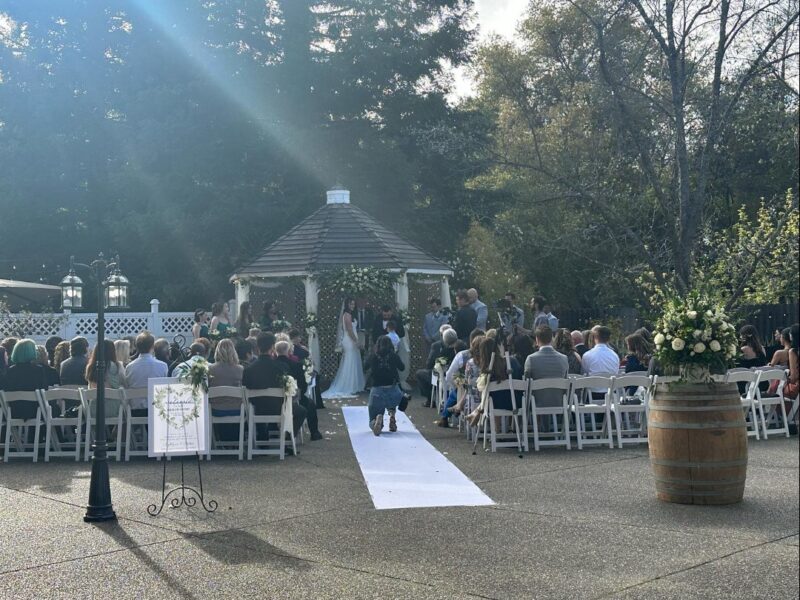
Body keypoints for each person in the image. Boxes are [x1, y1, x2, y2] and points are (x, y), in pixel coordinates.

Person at [243, 332, 307, 441]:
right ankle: (287, 439)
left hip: (257, 408)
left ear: (258, 347)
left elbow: (246, 387)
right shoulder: (281, 367)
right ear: (273, 347)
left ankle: (262, 438)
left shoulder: (249, 369)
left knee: (258, 402)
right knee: (302, 411)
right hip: (278, 408)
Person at [275, 340, 322, 440]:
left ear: (275, 351)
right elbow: (302, 387)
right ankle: (314, 433)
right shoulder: (296, 365)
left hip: (272, 403)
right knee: (310, 404)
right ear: (288, 351)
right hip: (292, 401)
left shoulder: (272, 365)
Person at [323, 298, 366, 399]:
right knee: (350, 361)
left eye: (353, 304)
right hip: (350, 340)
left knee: (354, 361)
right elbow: (349, 330)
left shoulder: (350, 315)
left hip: (352, 339)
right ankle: (348, 385)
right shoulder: (347, 315)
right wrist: (356, 341)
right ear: (347, 305)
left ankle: (353, 385)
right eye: (351, 304)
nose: (352, 306)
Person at [0, 339, 49, 419]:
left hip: (13, 412)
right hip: (35, 412)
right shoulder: (38, 370)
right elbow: (44, 390)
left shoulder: (9, 371)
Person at [366, 335, 405, 436]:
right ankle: (392, 416)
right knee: (392, 401)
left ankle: (377, 420)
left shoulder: (373, 356)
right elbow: (402, 368)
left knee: (372, 419)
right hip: (393, 390)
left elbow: (364, 367)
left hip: (377, 391)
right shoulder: (393, 355)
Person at [524, 326, 569, 408]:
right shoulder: (564, 358)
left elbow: (526, 384)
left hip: (537, 404)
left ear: (537, 339)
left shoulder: (531, 359)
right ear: (552, 338)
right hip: (559, 402)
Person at [125, 332, 168, 415]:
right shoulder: (162, 366)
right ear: (152, 347)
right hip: (157, 411)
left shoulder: (129, 367)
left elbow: (127, 386)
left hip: (135, 411)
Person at [417, 327, 459, 406]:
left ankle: (429, 399)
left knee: (420, 374)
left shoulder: (440, 349)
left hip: (441, 377)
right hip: (458, 377)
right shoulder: (461, 346)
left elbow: (429, 364)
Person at [581, 325, 620, 401]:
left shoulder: (587, 355)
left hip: (592, 393)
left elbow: (584, 374)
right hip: (610, 393)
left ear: (595, 338)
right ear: (608, 339)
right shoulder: (615, 356)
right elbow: (615, 372)